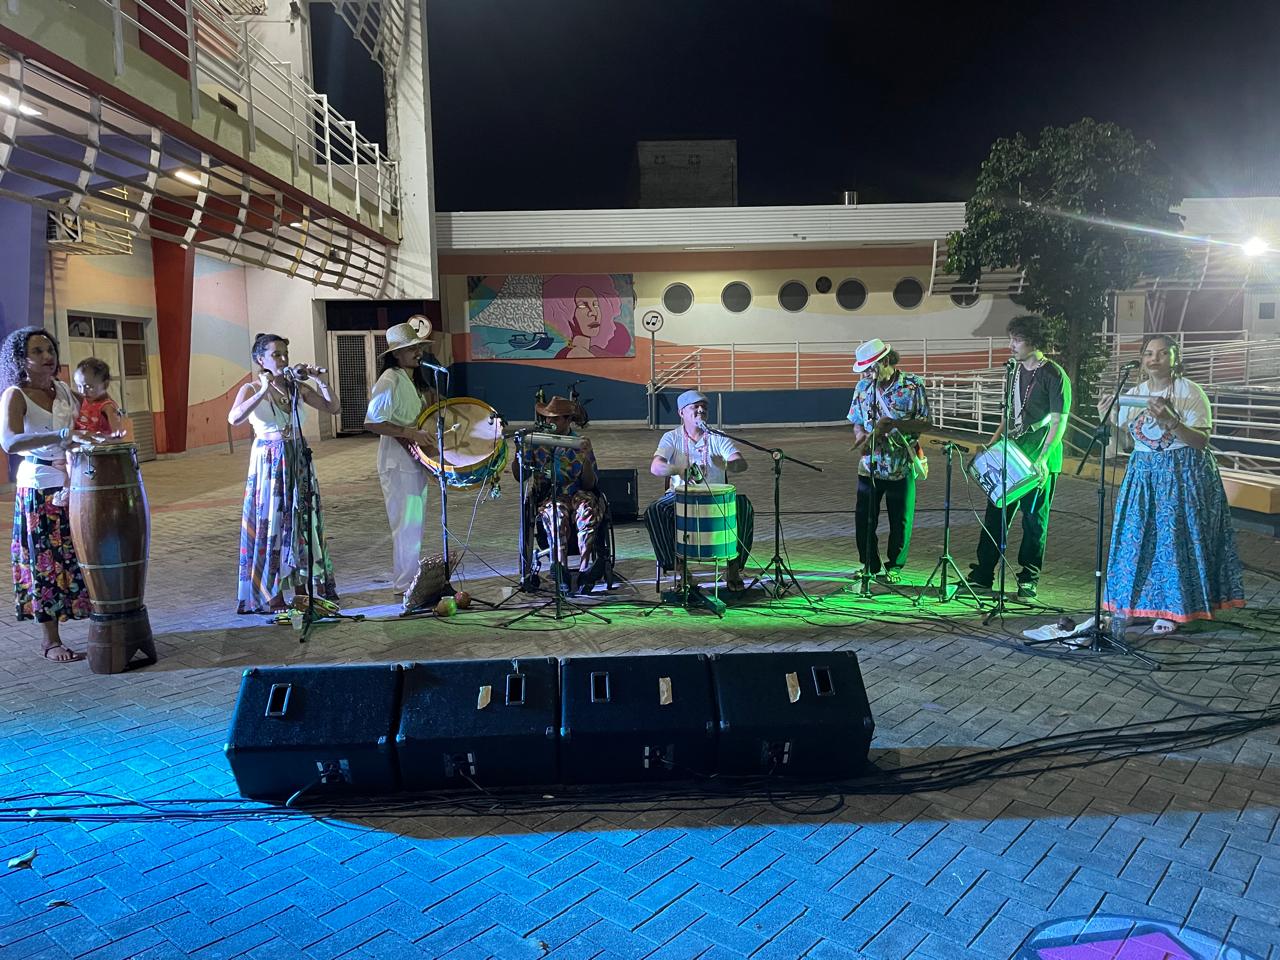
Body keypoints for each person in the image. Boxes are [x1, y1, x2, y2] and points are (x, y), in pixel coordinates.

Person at [1101, 334, 1244, 635]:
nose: (1155, 358)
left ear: (1176, 359)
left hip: (1182, 475)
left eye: (1163, 353)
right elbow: (1129, 442)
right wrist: (1109, 420)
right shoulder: (1134, 393)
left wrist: (1171, 421)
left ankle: (1175, 609)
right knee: (1136, 540)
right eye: (1149, 353)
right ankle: (1134, 605)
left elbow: (1201, 441)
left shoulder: (1190, 392)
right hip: (1144, 476)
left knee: (1174, 541)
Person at [0, 327, 104, 662]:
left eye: (50, 350)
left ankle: (99, 623)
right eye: (38, 351)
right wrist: (58, 436)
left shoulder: (63, 389)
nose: (48, 356)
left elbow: (89, 417)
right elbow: (9, 441)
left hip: (73, 483)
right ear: (21, 359)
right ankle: (50, 641)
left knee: (79, 556)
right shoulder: (16, 394)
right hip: (39, 487)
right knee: (45, 563)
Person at [227, 333, 340, 614]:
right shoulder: (251, 388)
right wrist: (263, 391)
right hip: (269, 462)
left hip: (298, 457)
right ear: (260, 359)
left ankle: (303, 589)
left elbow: (333, 407)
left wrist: (319, 380)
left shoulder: (295, 387)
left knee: (302, 520)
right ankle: (271, 593)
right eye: (276, 354)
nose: (283, 359)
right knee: (273, 523)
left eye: (285, 354)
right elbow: (234, 418)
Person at [968, 315, 1072, 599]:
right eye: (1011, 339)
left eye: (1017, 340)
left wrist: (1043, 458)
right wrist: (991, 445)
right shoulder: (1013, 371)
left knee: (1034, 521)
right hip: (1011, 454)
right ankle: (983, 574)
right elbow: (1008, 416)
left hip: (1039, 459)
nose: (1011, 345)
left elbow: (1059, 422)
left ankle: (1029, 578)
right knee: (995, 515)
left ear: (1034, 341)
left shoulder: (1055, 375)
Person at [644, 390, 753, 591]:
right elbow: (656, 467)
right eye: (695, 407)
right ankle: (679, 569)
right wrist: (678, 470)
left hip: (715, 499)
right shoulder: (671, 437)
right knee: (655, 510)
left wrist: (727, 465)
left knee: (744, 506)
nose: (701, 410)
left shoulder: (718, 437)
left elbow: (741, 463)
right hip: (681, 498)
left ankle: (734, 567)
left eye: (704, 407)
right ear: (681, 412)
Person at [363, 317, 441, 592]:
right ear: (396, 354)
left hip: (413, 460)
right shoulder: (389, 379)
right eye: (411, 349)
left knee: (414, 523)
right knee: (406, 524)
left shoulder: (411, 381)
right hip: (397, 463)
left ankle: (412, 578)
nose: (418, 353)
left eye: (418, 348)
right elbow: (373, 422)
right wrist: (410, 433)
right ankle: (405, 582)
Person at [845, 339, 931, 584]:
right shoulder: (863, 386)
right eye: (863, 370)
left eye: (870, 368)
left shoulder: (913, 385)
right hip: (869, 465)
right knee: (864, 519)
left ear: (885, 361)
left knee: (900, 520)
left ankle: (895, 567)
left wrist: (893, 425)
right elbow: (857, 420)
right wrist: (861, 436)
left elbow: (925, 423)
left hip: (900, 465)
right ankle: (869, 564)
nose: (866, 374)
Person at [513, 396, 605, 593]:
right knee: (557, 514)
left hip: (579, 493)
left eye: (555, 418)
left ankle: (585, 570)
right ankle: (560, 568)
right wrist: (518, 453)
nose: (549, 421)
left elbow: (590, 484)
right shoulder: (536, 442)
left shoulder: (580, 443)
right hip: (550, 495)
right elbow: (520, 476)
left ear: (567, 420)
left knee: (587, 510)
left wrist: (586, 458)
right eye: (547, 417)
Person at [50, 357, 128, 508]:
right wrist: (55, 383)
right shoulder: (87, 398)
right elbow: (68, 391)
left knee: (70, 455)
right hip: (82, 443)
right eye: (79, 386)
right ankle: (69, 488)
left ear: (105, 384)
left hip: (94, 447)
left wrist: (113, 435)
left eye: (88, 386)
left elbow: (116, 428)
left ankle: (69, 489)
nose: (83, 391)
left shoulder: (107, 406)